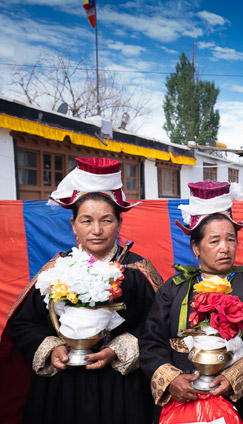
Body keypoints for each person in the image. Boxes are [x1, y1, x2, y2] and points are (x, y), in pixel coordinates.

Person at [2, 157, 163, 424]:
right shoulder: (56, 270)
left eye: (107, 220)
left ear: (120, 224)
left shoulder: (137, 271)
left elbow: (158, 325)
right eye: (86, 220)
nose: (96, 230)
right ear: (73, 225)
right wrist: (53, 349)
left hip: (121, 390)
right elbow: (25, 323)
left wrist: (116, 350)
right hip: (63, 387)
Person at [139, 181, 243, 422]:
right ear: (195, 246)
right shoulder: (173, 289)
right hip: (180, 404)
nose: (225, 248)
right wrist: (171, 379)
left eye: (231, 239)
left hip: (236, 403)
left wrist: (233, 377)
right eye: (214, 241)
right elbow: (151, 342)